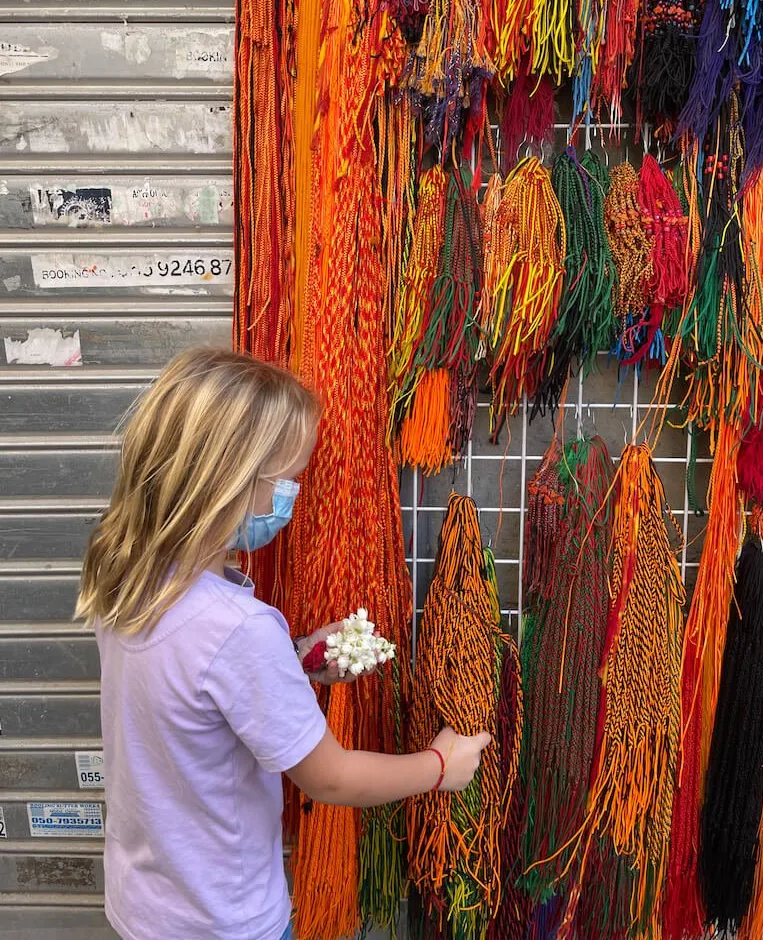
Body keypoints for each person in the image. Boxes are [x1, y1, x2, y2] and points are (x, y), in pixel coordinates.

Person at [76, 347, 491, 940]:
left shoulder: (126, 576)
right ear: (227, 482)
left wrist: (293, 657)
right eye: (286, 480)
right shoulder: (239, 629)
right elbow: (331, 778)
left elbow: (189, 688)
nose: (290, 496)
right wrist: (439, 765)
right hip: (226, 920)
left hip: (146, 903)